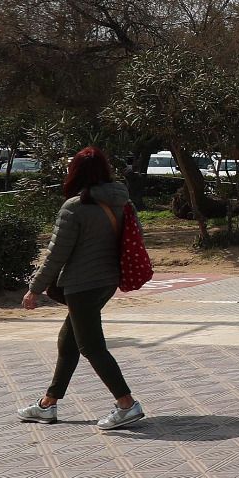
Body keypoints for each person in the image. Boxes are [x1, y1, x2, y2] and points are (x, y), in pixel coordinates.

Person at [17, 147, 143, 431]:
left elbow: (56, 254)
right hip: (107, 282)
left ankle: (127, 404)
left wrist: (34, 289)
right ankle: (47, 404)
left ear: (75, 172)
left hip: (82, 284)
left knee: (92, 347)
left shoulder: (74, 208)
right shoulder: (122, 202)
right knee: (68, 341)